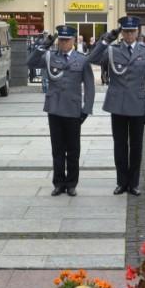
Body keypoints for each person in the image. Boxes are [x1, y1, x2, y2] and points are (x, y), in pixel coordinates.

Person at [88, 16, 145, 196]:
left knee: (136, 146)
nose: (129, 35)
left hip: (137, 104)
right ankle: (121, 182)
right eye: (125, 31)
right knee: (119, 145)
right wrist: (106, 39)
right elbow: (92, 59)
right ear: (122, 32)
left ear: (138, 32)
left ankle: (133, 183)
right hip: (117, 104)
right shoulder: (112, 50)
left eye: (132, 31)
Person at [27, 25, 95, 197]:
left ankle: (71, 183)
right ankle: (58, 183)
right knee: (57, 149)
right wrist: (43, 45)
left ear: (73, 41)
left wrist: (86, 109)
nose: (63, 43)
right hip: (55, 108)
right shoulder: (50, 56)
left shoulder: (82, 59)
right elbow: (31, 62)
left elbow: (89, 86)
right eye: (61, 40)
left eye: (66, 40)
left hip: (73, 109)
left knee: (73, 149)